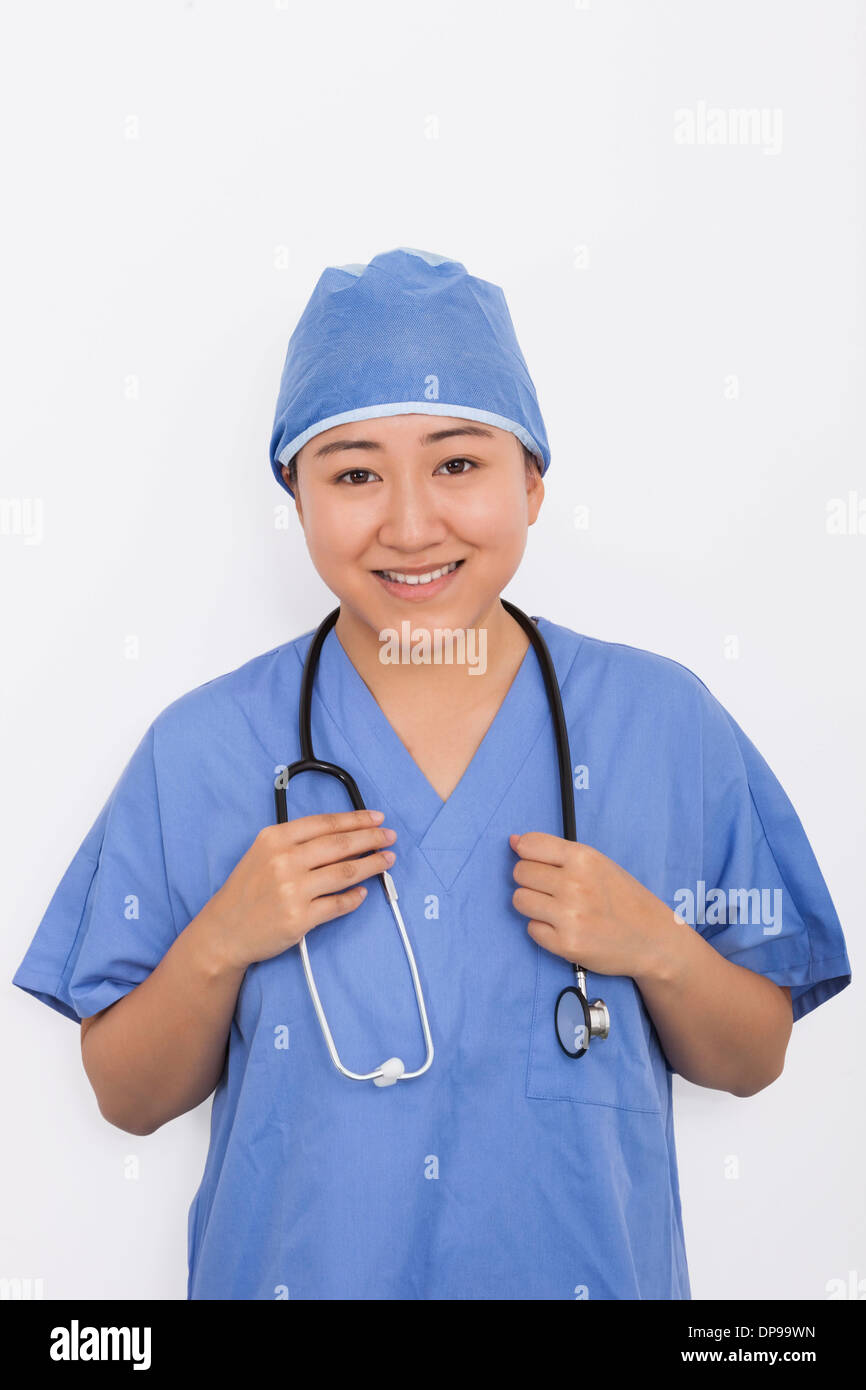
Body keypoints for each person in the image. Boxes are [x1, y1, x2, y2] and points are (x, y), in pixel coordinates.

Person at [12, 247, 852, 1301]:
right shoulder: (206, 747)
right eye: (354, 472)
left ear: (532, 482)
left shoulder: (660, 723)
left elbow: (752, 1057)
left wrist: (656, 947)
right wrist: (223, 938)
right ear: (295, 493)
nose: (410, 524)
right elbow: (126, 1098)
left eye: (457, 464)